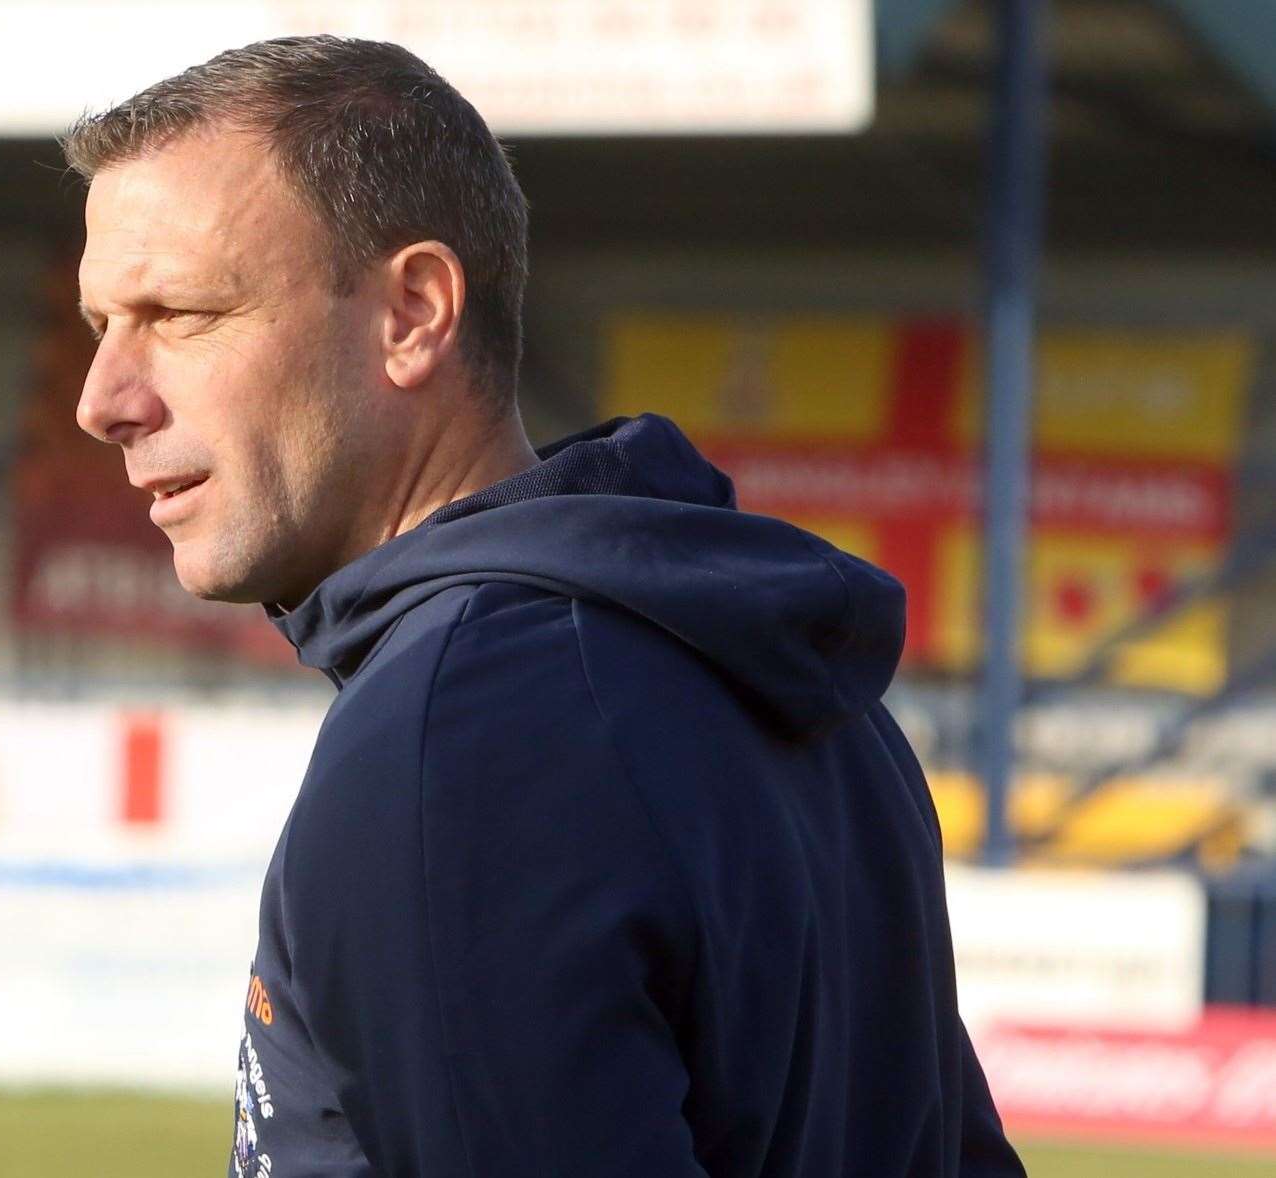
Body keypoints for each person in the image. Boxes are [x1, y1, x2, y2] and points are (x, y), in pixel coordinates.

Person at [67, 34, 1025, 1178]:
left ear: (413, 312)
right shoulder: (785, 677)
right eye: (97, 327)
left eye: (178, 314)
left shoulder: (457, 736)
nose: (103, 399)